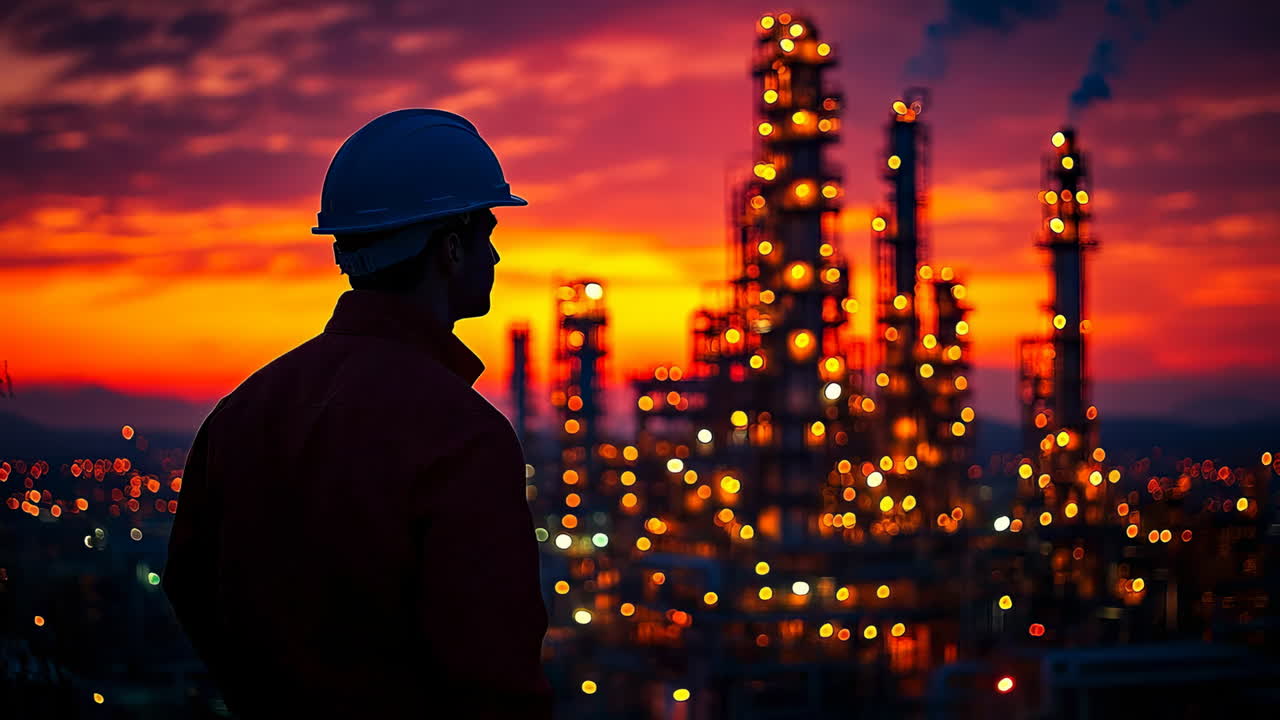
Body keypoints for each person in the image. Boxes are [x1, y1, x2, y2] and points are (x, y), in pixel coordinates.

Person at [163, 109, 552, 718]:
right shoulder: (461, 434)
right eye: (489, 235)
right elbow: (494, 672)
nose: (496, 258)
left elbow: (191, 587)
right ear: (450, 247)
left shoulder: (242, 412)